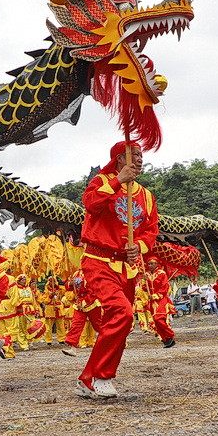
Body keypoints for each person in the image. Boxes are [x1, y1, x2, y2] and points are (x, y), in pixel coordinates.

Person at [75, 141, 159, 399]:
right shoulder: (102, 180)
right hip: (98, 260)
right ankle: (103, 375)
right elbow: (91, 205)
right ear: (119, 159)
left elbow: (150, 229)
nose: (140, 159)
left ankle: (87, 378)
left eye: (142, 155)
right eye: (135, 155)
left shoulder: (145, 195)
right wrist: (117, 181)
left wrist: (141, 247)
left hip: (127, 266)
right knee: (122, 312)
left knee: (120, 322)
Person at [62, 268, 102, 357]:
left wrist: (83, 303)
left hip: (91, 302)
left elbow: (94, 290)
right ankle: (73, 349)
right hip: (79, 302)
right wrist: (70, 283)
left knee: (98, 325)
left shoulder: (93, 272)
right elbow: (68, 287)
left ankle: (111, 342)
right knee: (76, 325)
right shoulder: (76, 273)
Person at [145, 255, 176, 348]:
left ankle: (170, 335)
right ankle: (165, 339)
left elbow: (165, 287)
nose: (150, 265)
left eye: (152, 264)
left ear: (156, 264)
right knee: (155, 321)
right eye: (148, 264)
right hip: (151, 301)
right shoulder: (146, 275)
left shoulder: (162, 273)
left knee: (159, 319)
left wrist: (155, 295)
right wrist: (144, 282)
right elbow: (144, 288)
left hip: (161, 300)